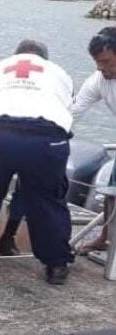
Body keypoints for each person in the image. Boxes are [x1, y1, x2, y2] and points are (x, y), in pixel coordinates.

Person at [0, 40, 74, 284]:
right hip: (46, 138)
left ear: (15, 56)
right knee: (49, 201)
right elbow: (65, 110)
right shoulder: (59, 73)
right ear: (43, 58)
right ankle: (56, 265)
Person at [69, 27, 116, 253]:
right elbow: (73, 112)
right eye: (97, 61)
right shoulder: (99, 80)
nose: (100, 67)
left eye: (105, 61)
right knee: (111, 192)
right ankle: (106, 238)